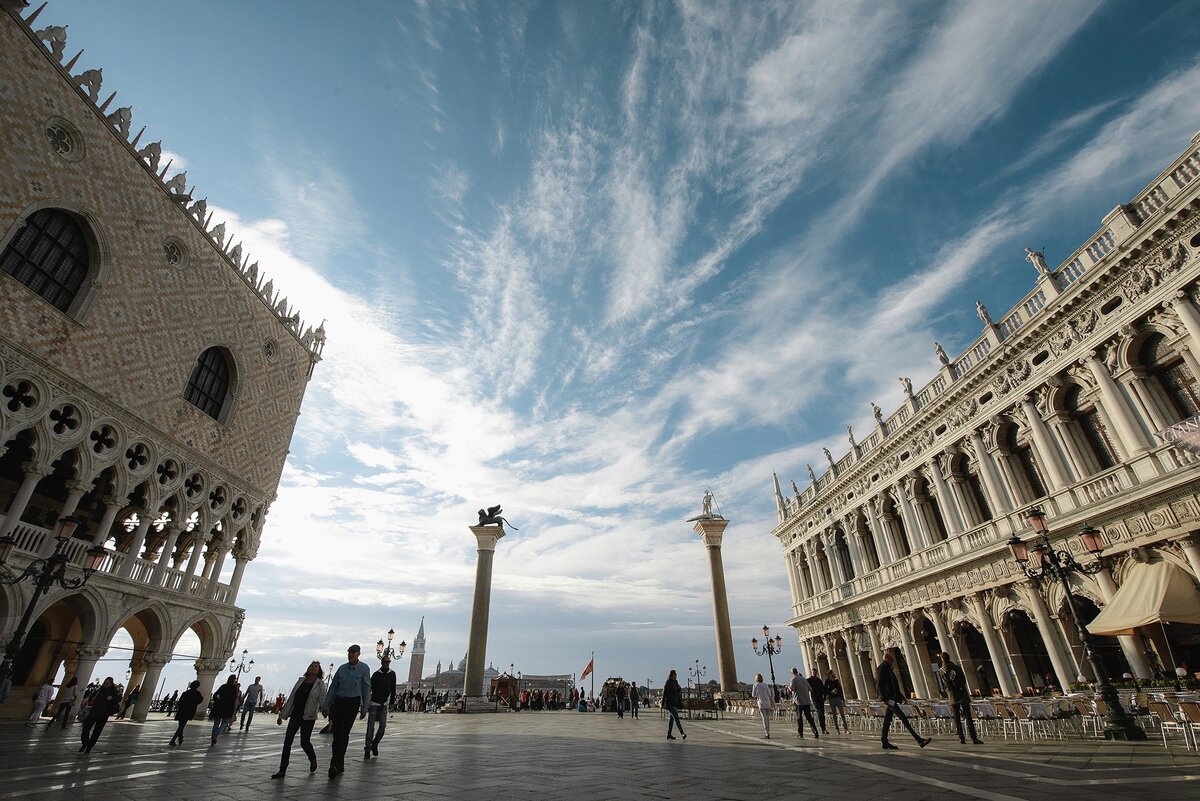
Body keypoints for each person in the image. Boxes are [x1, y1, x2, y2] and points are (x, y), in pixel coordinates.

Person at [320, 644, 371, 779]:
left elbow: (366, 688)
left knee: (343, 733)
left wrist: (365, 707)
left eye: (353, 652)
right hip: (338, 702)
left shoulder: (364, 668)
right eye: (349, 652)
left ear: (359, 654)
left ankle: (334, 765)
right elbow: (333, 688)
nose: (351, 655)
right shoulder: (342, 669)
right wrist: (326, 705)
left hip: (352, 703)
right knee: (336, 734)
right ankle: (339, 764)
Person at [273, 661, 326, 778]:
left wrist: (325, 709)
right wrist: (282, 715)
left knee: (304, 742)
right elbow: (292, 697)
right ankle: (282, 770)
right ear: (308, 668)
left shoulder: (320, 684)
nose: (313, 668)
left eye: (316, 667)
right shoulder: (301, 681)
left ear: (319, 671)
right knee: (287, 742)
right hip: (296, 715)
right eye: (312, 666)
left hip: (309, 716)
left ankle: (312, 758)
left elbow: (322, 698)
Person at [877, 651, 930, 751]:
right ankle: (919, 740)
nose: (893, 662)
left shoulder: (888, 668)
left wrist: (901, 697)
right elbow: (880, 684)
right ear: (888, 659)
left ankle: (884, 741)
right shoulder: (882, 668)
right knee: (903, 718)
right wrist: (884, 698)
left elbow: (894, 685)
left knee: (887, 720)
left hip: (891, 698)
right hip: (889, 699)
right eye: (892, 661)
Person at [940, 652, 982, 745]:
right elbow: (963, 680)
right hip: (962, 694)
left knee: (957, 717)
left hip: (952, 696)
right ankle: (974, 738)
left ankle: (961, 737)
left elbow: (945, 684)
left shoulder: (942, 670)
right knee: (968, 716)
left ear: (942, 659)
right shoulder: (957, 667)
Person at [364, 656, 396, 759]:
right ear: (382, 662)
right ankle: (367, 748)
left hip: (384, 704)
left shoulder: (392, 674)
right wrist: (366, 702)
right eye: (385, 662)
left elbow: (393, 689)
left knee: (383, 726)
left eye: (388, 662)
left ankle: (375, 743)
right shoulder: (376, 675)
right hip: (374, 703)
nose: (387, 663)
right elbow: (369, 689)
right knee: (370, 727)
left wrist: (391, 702)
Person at [80, 676, 121, 754]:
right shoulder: (99, 690)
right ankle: (85, 743)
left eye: (108, 683)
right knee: (85, 729)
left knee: (97, 732)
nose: (106, 684)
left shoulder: (113, 691)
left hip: (103, 714)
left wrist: (111, 699)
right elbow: (91, 697)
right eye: (105, 682)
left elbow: (119, 699)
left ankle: (89, 747)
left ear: (111, 684)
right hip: (93, 712)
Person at [169, 680, 204, 747]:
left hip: (182, 710)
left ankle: (180, 738)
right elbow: (200, 700)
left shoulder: (185, 693)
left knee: (181, 725)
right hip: (189, 711)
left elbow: (179, 702)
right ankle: (173, 740)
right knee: (181, 726)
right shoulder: (197, 693)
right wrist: (194, 704)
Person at [789, 668, 818, 739]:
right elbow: (810, 689)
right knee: (809, 717)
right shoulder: (803, 679)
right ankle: (815, 732)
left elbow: (792, 689)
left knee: (799, 717)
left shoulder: (793, 679)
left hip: (798, 701)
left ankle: (800, 733)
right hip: (806, 701)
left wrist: (788, 688)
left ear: (792, 673)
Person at [210, 675, 239, 745]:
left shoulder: (223, 686)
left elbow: (215, 695)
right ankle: (216, 734)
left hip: (219, 706)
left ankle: (213, 736)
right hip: (228, 708)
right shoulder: (234, 689)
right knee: (225, 722)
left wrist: (217, 701)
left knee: (216, 723)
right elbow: (234, 700)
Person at [661, 669, 686, 741]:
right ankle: (682, 733)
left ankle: (669, 734)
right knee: (676, 718)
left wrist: (679, 689)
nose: (676, 675)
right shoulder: (668, 682)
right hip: (670, 704)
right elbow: (664, 693)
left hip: (675, 703)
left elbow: (678, 690)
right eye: (675, 674)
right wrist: (662, 704)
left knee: (671, 719)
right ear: (672, 675)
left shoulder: (675, 682)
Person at [751, 673, 774, 738]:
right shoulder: (765, 685)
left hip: (761, 703)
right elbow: (769, 694)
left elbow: (753, 695)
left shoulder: (755, 685)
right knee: (767, 718)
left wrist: (758, 694)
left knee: (764, 718)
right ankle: (768, 731)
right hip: (767, 703)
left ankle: (767, 732)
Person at [807, 668, 829, 734]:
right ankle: (822, 728)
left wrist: (824, 697)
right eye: (813, 672)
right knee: (820, 712)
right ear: (811, 673)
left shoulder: (819, 680)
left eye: (815, 672)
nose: (814, 673)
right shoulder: (809, 680)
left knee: (822, 713)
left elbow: (822, 689)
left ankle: (823, 728)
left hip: (820, 698)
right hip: (814, 698)